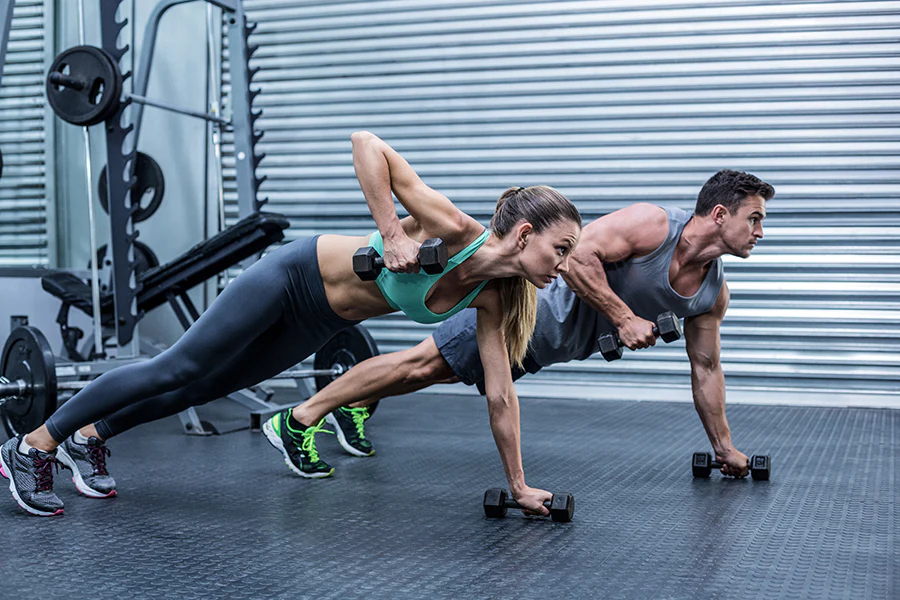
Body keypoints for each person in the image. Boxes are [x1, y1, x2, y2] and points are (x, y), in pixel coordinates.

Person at [0, 131, 582, 517]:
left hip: (320, 319)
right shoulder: (453, 227)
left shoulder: (495, 300)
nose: (564, 266)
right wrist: (392, 231)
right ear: (526, 235)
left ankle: (89, 437)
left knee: (206, 386)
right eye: (561, 249)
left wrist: (520, 483)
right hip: (291, 275)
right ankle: (31, 445)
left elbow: (501, 395)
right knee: (177, 367)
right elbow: (366, 143)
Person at [281, 169, 774, 480]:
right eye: (753, 218)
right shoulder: (652, 225)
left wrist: (724, 447)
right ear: (717, 214)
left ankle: (354, 407)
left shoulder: (712, 293)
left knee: (438, 370)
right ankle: (302, 416)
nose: (759, 231)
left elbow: (707, 368)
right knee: (421, 364)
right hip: (527, 313)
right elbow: (577, 255)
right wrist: (623, 318)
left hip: (547, 347)